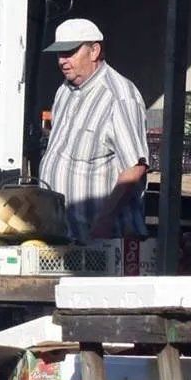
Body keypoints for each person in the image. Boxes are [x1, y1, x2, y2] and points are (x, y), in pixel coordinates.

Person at [37, 18, 151, 245]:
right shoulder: (65, 90)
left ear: (94, 51)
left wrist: (103, 222)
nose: (63, 61)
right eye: (59, 55)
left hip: (102, 239)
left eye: (69, 52)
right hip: (64, 235)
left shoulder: (118, 96)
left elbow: (135, 167)